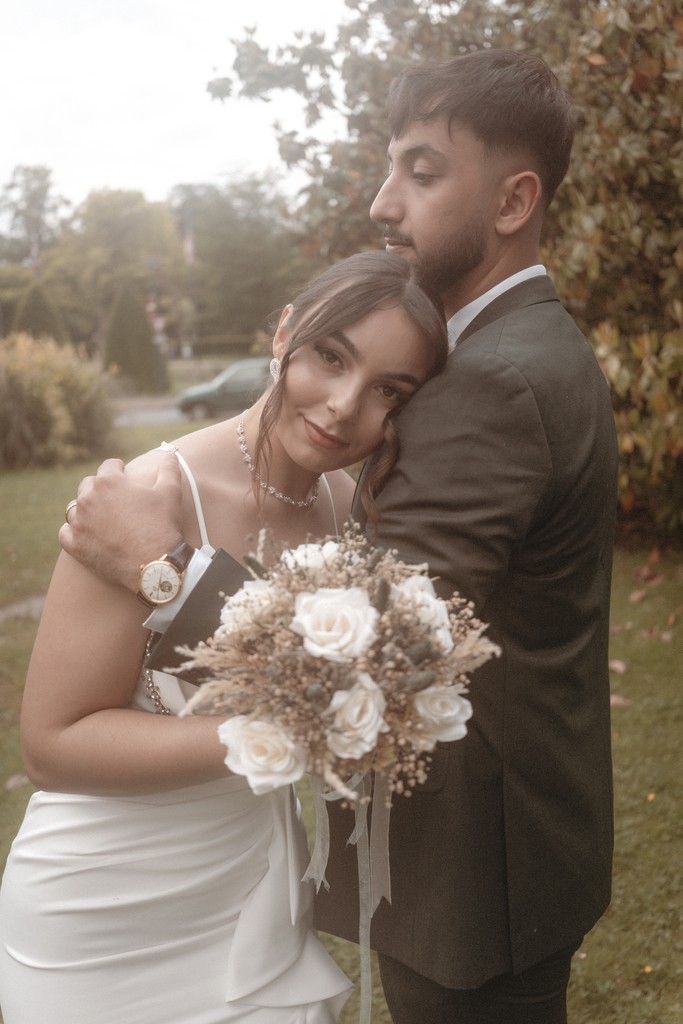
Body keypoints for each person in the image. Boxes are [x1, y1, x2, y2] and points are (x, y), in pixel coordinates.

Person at [49, 49, 618, 1024]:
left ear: (513, 198)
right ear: (283, 336)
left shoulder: (491, 378)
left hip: (475, 866)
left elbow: (375, 669)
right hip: (515, 838)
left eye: (422, 170)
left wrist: (163, 572)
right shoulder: (527, 347)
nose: (383, 202)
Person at [0, 251, 449, 1024]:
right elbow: (52, 744)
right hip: (100, 908)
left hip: (244, 891)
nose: (344, 406)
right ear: (284, 335)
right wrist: (284, 730)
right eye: (329, 358)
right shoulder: (148, 494)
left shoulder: (351, 509)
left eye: (386, 391)